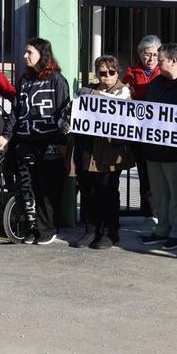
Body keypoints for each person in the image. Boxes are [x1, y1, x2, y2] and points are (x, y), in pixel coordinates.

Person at [0, 38, 71, 245]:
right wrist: (6, 135)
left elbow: (64, 112)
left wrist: (60, 140)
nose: (25, 56)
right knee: (28, 188)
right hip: (25, 141)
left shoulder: (57, 79)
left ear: (42, 54)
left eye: (29, 52)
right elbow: (16, 111)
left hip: (49, 143)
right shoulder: (24, 79)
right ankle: (32, 228)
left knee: (48, 189)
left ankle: (47, 228)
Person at [67, 55, 136, 250]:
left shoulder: (124, 92)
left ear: (118, 72)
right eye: (102, 73)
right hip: (87, 149)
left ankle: (109, 232)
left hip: (110, 152)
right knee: (88, 191)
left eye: (111, 72)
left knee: (108, 192)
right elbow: (71, 111)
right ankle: (90, 230)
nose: (106, 77)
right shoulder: (88, 91)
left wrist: (92, 95)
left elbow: (121, 109)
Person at [139, 44, 177, 250]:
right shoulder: (156, 83)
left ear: (173, 61)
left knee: (176, 194)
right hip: (153, 149)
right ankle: (161, 229)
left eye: (160, 58)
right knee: (158, 193)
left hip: (176, 152)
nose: (156, 61)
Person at [123, 34, 161, 229]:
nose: (151, 59)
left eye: (155, 54)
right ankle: (148, 213)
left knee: (161, 174)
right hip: (138, 131)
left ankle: (163, 212)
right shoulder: (131, 73)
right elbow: (124, 95)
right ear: (140, 54)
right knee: (144, 172)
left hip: (159, 132)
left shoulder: (164, 71)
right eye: (147, 54)